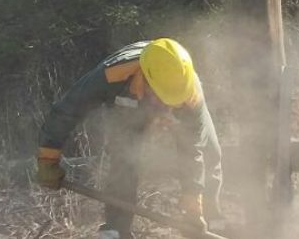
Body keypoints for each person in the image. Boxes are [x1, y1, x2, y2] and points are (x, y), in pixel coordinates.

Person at [35, 38, 223, 239]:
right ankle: (116, 229)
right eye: (161, 99)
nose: (167, 108)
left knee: (210, 154)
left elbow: (192, 153)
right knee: (124, 156)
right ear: (146, 80)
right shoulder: (112, 75)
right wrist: (48, 159)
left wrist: (193, 210)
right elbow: (67, 110)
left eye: (173, 103)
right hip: (128, 105)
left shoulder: (189, 94)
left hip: (168, 105)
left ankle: (211, 224)